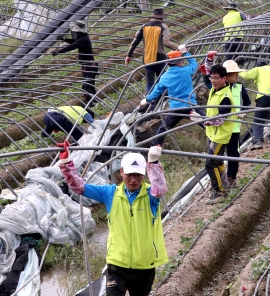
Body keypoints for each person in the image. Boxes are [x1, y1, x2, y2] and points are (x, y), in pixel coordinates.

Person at [56, 141, 168, 296]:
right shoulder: (110, 193)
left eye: (137, 175)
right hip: (117, 263)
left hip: (144, 264)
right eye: (129, 175)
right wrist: (66, 162)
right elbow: (78, 187)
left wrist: (154, 164)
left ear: (144, 174)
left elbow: (160, 189)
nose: (133, 180)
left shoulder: (151, 195)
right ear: (121, 172)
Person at [139, 45, 205, 147]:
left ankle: (155, 147)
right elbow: (194, 64)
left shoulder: (165, 77)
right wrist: (186, 53)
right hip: (190, 105)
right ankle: (217, 137)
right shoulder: (186, 71)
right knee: (206, 121)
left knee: (164, 128)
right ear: (180, 61)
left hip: (176, 108)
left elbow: (156, 92)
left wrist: (146, 99)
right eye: (181, 60)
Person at [203, 64, 236, 204]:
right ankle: (225, 187)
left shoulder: (226, 96)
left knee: (210, 164)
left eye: (216, 78)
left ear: (224, 78)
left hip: (220, 136)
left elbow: (221, 119)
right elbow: (206, 71)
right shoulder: (215, 90)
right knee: (218, 162)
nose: (213, 80)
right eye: (211, 77)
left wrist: (204, 121)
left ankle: (219, 192)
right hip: (212, 135)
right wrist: (209, 60)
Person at [125, 8, 178, 94]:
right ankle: (162, 99)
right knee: (162, 80)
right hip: (160, 58)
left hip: (147, 58)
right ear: (161, 18)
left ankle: (149, 102)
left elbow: (135, 41)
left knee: (150, 83)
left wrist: (129, 55)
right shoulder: (163, 27)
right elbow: (166, 42)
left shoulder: (144, 26)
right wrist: (179, 48)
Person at [221, 59, 252, 188]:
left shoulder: (239, 87)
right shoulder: (218, 88)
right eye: (235, 73)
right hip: (221, 129)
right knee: (217, 157)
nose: (237, 75)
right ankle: (220, 182)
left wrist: (243, 112)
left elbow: (247, 103)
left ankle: (231, 178)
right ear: (227, 76)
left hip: (234, 127)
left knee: (234, 154)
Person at [53, 19, 99, 104]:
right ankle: (93, 102)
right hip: (88, 64)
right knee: (89, 85)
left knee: (87, 85)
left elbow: (73, 46)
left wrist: (59, 51)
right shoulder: (82, 37)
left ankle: (92, 103)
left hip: (88, 65)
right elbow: (74, 41)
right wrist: (63, 39)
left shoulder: (84, 39)